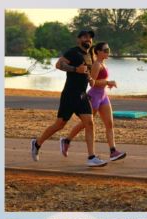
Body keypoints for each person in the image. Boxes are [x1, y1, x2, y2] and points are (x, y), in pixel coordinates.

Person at [30, 29, 108, 167]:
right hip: (70, 94)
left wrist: (90, 78)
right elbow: (59, 64)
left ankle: (91, 157)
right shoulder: (72, 52)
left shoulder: (89, 54)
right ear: (78, 39)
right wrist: (74, 69)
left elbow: (86, 71)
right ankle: (37, 143)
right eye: (84, 37)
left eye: (90, 38)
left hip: (82, 95)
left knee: (89, 123)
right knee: (59, 124)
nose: (88, 39)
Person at [60, 42, 126, 162]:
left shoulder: (103, 64)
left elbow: (100, 80)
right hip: (94, 96)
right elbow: (92, 83)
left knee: (109, 124)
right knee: (86, 124)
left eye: (108, 49)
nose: (108, 52)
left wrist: (107, 84)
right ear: (98, 52)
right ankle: (67, 140)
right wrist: (107, 82)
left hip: (103, 96)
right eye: (105, 50)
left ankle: (113, 151)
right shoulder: (96, 65)